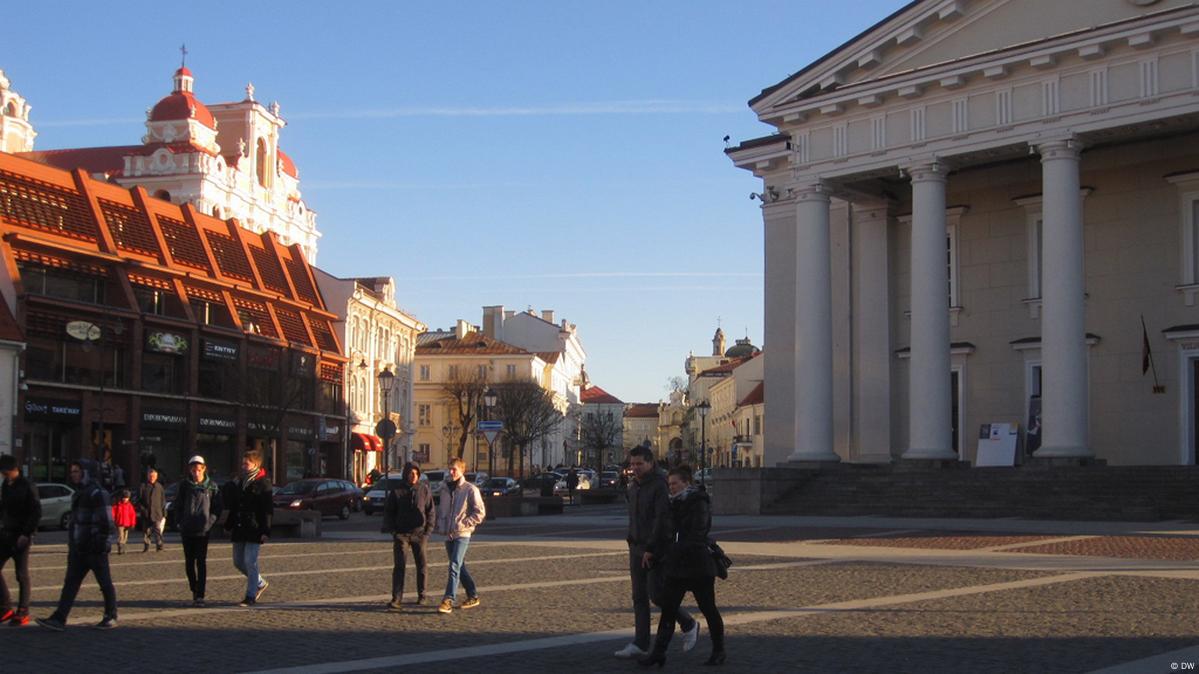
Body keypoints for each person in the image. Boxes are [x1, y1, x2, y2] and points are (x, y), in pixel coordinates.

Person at [614, 444, 698, 659]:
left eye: (639, 464)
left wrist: (651, 548)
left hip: (655, 549)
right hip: (636, 547)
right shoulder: (633, 486)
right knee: (638, 597)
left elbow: (661, 519)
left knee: (657, 595)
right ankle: (641, 643)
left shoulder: (659, 485)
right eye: (632, 464)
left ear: (651, 462)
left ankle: (688, 623)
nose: (635, 468)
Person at [638, 465, 726, 667]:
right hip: (677, 566)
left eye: (675, 483)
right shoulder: (672, 504)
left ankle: (719, 650)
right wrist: (653, 549)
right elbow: (663, 530)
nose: (672, 488)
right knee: (668, 609)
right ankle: (658, 652)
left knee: (708, 608)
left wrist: (673, 549)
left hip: (697, 565)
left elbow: (697, 533)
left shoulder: (698, 502)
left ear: (687, 482)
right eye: (670, 484)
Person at [36, 460, 118, 630]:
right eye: (72, 471)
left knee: (104, 583)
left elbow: (107, 522)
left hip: (94, 548)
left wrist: (102, 544)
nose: (73, 474)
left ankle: (111, 615)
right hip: (79, 547)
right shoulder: (79, 492)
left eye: (76, 471)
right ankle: (59, 617)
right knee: (70, 583)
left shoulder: (97, 493)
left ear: (86, 472)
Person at [434, 457, 485, 614]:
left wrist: (464, 523)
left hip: (462, 533)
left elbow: (480, 512)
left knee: (454, 565)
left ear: (462, 470)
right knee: (459, 566)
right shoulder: (444, 489)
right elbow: (442, 510)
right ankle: (473, 595)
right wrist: (439, 523)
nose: (451, 472)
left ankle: (448, 599)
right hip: (447, 533)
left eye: (454, 469)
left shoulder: (470, 489)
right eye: (449, 468)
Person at [382, 462, 434, 610]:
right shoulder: (397, 491)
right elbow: (389, 511)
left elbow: (430, 511)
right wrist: (393, 530)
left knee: (422, 566)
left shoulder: (423, 489)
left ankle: (422, 595)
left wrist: (428, 531)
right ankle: (396, 598)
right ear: (406, 474)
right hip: (401, 534)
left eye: (416, 474)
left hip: (419, 533)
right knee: (399, 567)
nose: (414, 476)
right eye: (411, 473)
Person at [224, 449, 272, 607]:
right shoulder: (240, 482)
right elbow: (234, 505)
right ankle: (259, 582)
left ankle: (250, 596)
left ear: (256, 464)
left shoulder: (263, 483)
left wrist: (266, 531)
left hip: (254, 528)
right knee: (238, 561)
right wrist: (229, 524)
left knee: (250, 561)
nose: (243, 466)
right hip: (239, 527)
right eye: (243, 463)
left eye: (247, 463)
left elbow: (267, 509)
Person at [173, 455, 222, 607]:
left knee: (201, 562)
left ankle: (200, 594)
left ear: (204, 469)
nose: (196, 473)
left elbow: (217, 508)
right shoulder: (184, 486)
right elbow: (177, 506)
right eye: (194, 470)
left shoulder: (211, 486)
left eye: (199, 470)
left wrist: (210, 522)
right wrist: (179, 522)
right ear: (190, 470)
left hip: (202, 530)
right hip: (187, 529)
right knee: (189, 562)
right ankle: (193, 588)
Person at [0, 454, 40, 626]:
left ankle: (23, 611)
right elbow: (4, 507)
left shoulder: (27, 486)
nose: (2, 475)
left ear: (10, 470)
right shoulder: (6, 485)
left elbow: (36, 511)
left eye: (3, 471)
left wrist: (27, 533)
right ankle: (5, 607)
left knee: (21, 574)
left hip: (21, 535)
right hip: (5, 533)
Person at [138, 469, 166, 552]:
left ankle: (159, 545)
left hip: (157, 513)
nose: (152, 478)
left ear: (156, 477)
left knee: (158, 530)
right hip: (146, 513)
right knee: (147, 531)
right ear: (147, 476)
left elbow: (163, 500)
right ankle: (146, 545)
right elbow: (139, 500)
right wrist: (142, 509)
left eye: (153, 476)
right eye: (150, 476)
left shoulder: (159, 486)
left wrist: (164, 512)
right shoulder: (143, 486)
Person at [111, 489, 136, 555]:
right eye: (124, 498)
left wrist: (133, 523)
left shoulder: (130, 506)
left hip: (127, 523)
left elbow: (132, 515)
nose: (125, 499)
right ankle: (120, 546)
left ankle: (123, 545)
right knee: (120, 536)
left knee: (125, 536)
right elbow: (113, 512)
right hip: (119, 523)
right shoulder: (117, 505)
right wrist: (113, 520)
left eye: (127, 498)